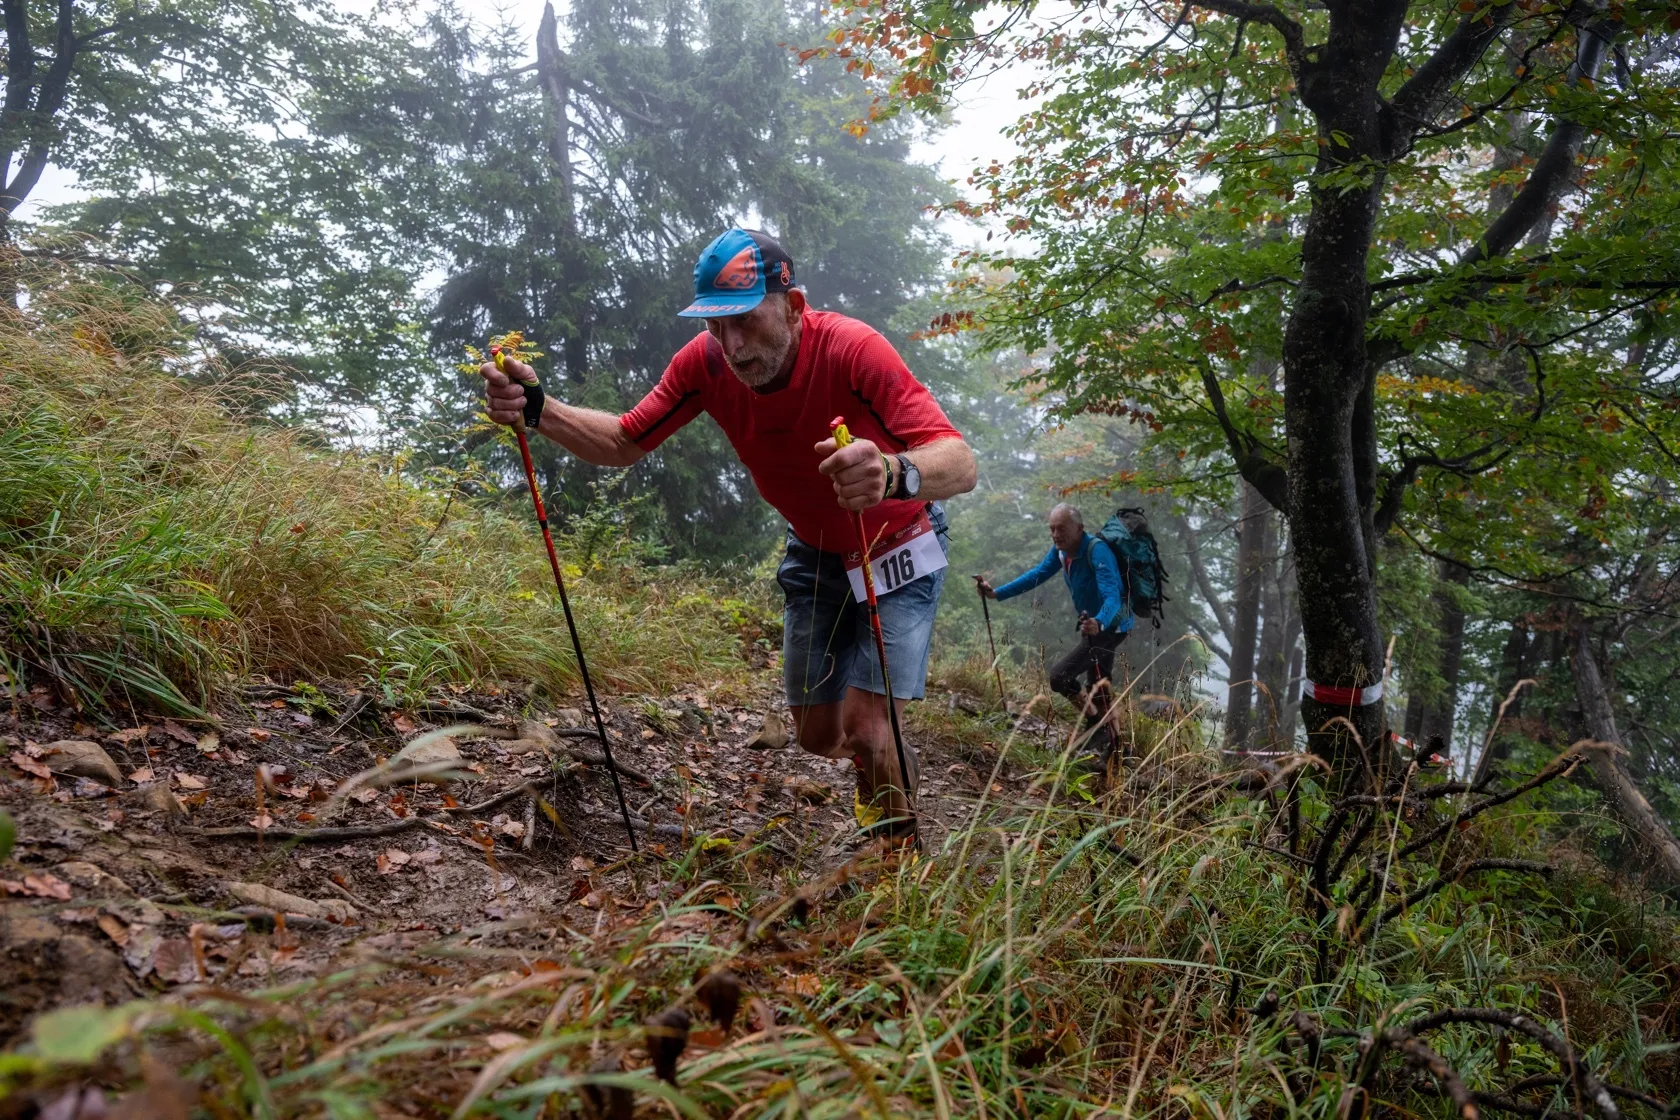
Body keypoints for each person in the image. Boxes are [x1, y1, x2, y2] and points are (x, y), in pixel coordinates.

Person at [479, 228, 976, 843]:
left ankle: (896, 862)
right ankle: (877, 769)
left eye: (744, 321)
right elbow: (623, 442)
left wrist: (896, 472)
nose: (731, 345)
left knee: (873, 729)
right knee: (818, 734)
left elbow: (959, 460)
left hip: (898, 543)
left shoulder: (853, 350)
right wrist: (538, 409)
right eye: (715, 325)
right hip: (816, 553)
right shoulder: (705, 362)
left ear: (793, 307)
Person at [978, 504, 1132, 758]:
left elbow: (1112, 597)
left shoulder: (1097, 551)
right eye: (1051, 529)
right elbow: (1036, 575)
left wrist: (1100, 622)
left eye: (1061, 529)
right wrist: (997, 593)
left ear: (1079, 529)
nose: (1055, 534)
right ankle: (1117, 747)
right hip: (1091, 624)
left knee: (1060, 676)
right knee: (1099, 684)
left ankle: (1097, 727)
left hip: (1111, 626)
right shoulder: (1062, 553)